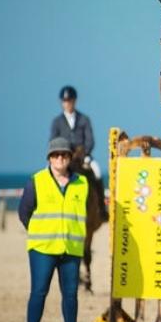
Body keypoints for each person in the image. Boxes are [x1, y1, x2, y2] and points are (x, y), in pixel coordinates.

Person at [17, 137, 91, 322]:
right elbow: (24, 212)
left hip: (71, 248)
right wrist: (40, 232)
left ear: (70, 158)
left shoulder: (82, 183)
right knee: (39, 291)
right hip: (43, 248)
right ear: (49, 158)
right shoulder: (36, 181)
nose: (60, 158)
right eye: (56, 155)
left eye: (65, 155)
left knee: (70, 293)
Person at [50, 86, 107, 221]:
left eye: (70, 100)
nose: (68, 103)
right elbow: (53, 141)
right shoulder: (57, 122)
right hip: (63, 156)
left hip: (83, 156)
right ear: (62, 102)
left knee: (97, 172)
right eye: (65, 101)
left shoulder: (84, 119)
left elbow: (90, 140)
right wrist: (62, 154)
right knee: (49, 174)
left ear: (74, 101)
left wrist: (85, 153)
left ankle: (101, 208)